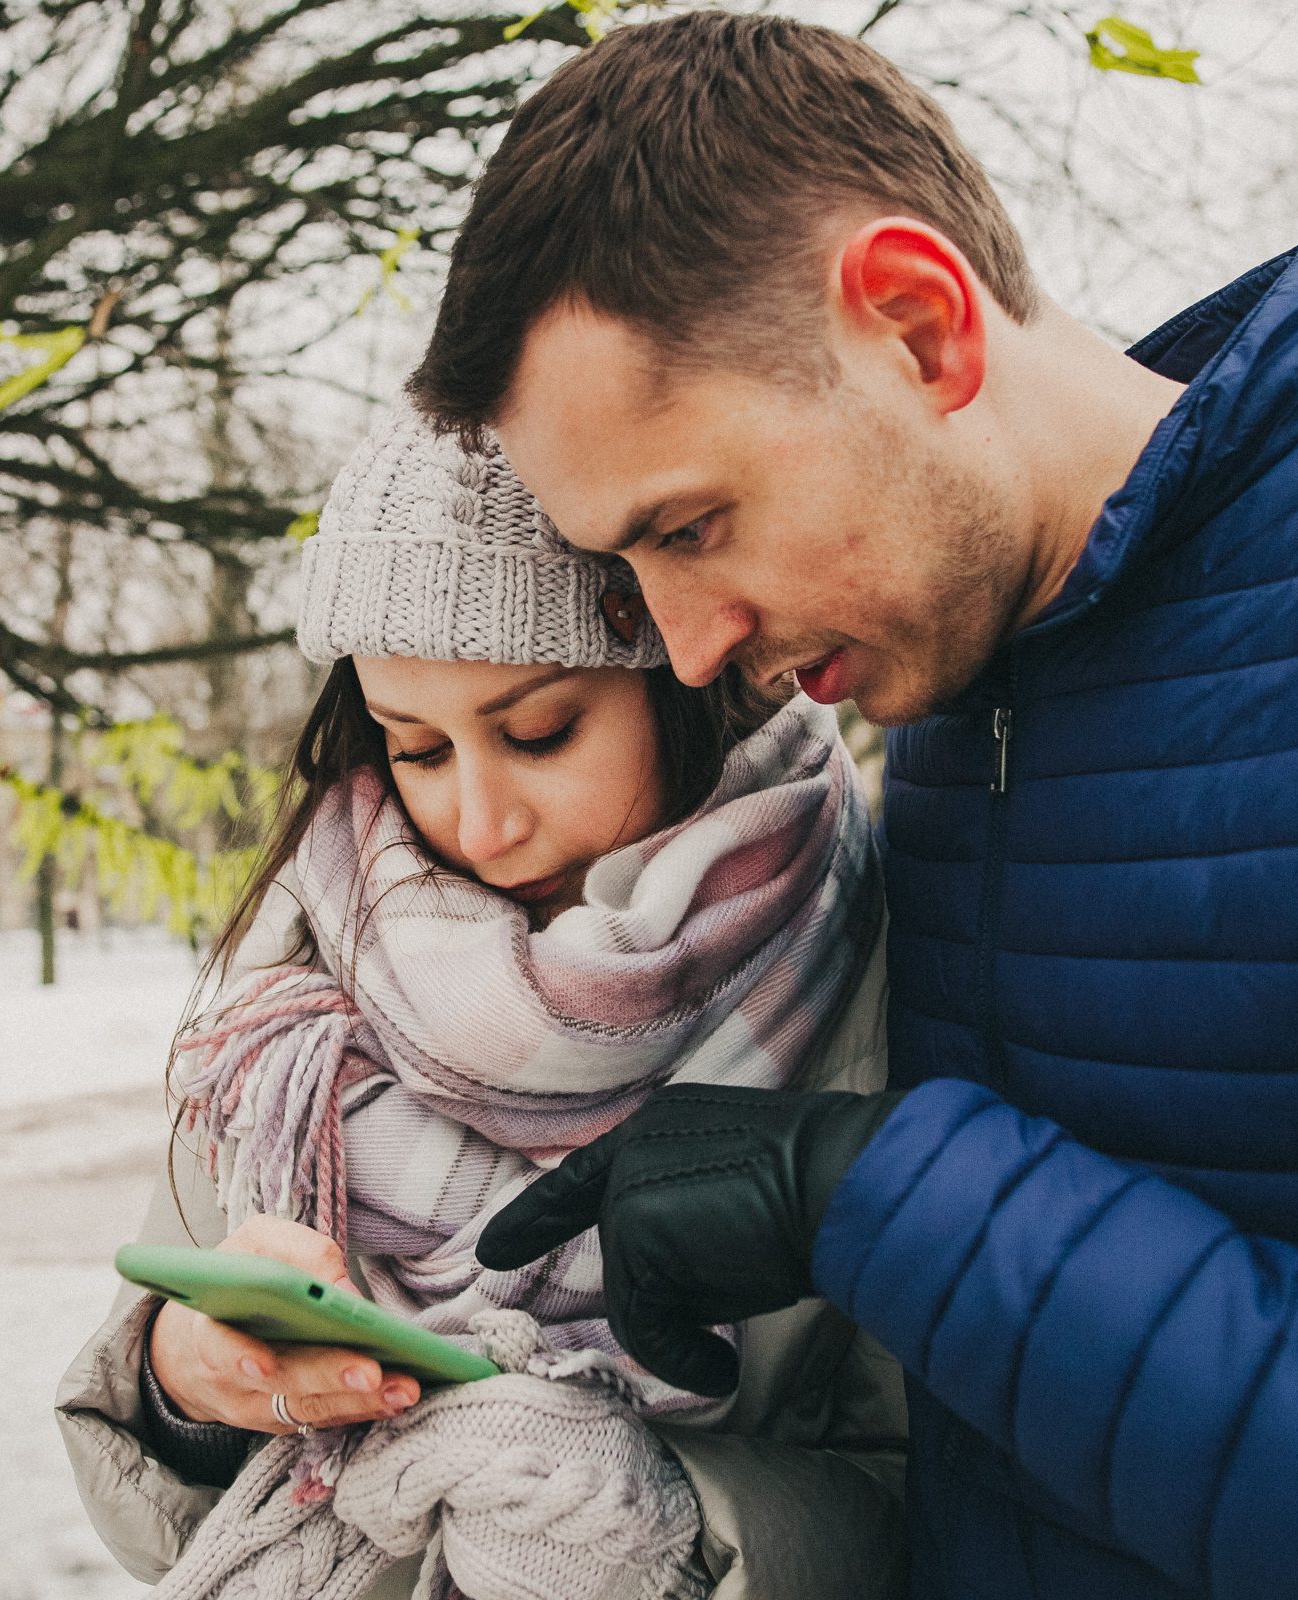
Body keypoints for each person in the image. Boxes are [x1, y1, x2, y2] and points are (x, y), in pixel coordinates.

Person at [413, 13, 1298, 1600]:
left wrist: (886, 1199)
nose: (692, 646)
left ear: (918, 327)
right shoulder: (947, 682)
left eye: (691, 527)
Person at [56, 410, 910, 1600]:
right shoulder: (298, 995)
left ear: (683, 679)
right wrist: (185, 1385)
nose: (481, 823)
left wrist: (669, 1519)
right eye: (416, 749)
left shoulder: (871, 956)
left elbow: (930, 1496)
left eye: (540, 732)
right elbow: (159, 1507)